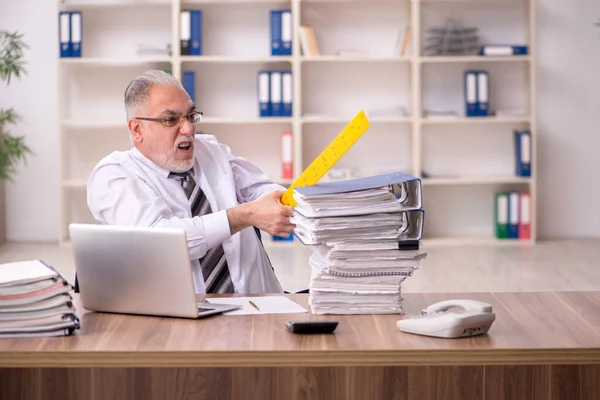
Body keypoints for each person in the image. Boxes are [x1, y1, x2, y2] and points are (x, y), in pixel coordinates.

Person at [84, 69, 295, 294]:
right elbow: (161, 243)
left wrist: (289, 203)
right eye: (170, 119)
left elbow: (262, 191)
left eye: (190, 116)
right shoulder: (112, 176)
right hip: (181, 323)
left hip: (263, 309)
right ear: (137, 129)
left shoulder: (211, 150)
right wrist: (244, 215)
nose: (188, 128)